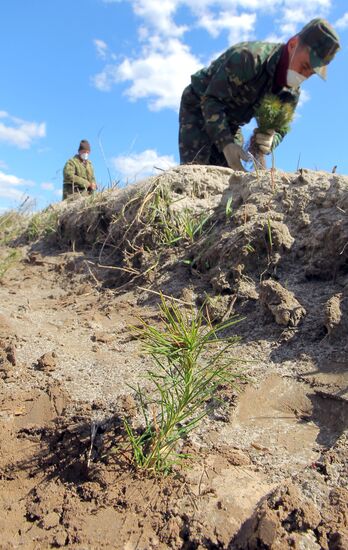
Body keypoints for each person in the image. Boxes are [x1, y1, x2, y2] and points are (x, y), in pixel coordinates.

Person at [178, 18, 340, 171]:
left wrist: (270, 140)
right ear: (293, 44)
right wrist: (226, 144)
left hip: (231, 123)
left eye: (310, 73)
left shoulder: (290, 93)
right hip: (199, 105)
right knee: (196, 171)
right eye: (304, 66)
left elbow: (280, 128)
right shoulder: (249, 58)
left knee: (232, 176)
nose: (304, 75)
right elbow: (211, 100)